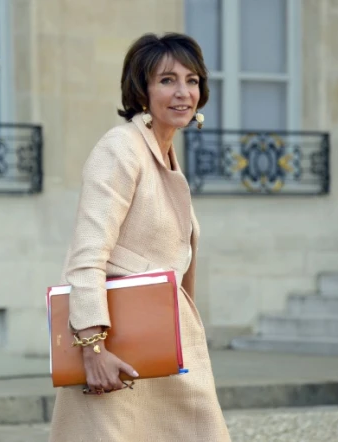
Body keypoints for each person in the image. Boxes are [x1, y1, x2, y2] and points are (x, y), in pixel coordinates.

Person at [48, 33, 231, 441]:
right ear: (141, 90)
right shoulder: (121, 149)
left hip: (159, 344)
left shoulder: (162, 152)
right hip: (118, 351)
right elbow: (87, 255)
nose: (183, 92)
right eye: (167, 80)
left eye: (192, 80)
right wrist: (93, 349)